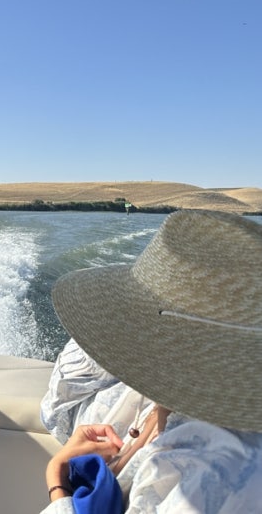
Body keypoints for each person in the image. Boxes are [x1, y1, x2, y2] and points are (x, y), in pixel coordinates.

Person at [39, 210, 262, 513]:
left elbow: (57, 412)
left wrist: (58, 482)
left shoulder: (211, 475)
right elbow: (55, 413)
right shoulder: (144, 394)